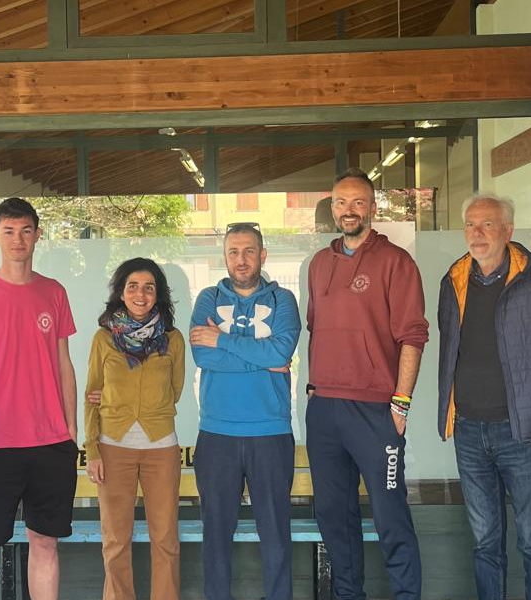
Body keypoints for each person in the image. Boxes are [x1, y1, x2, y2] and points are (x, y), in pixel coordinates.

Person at [305, 168, 429, 600]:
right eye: (341, 202)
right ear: (332, 208)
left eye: (358, 202)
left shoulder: (396, 262)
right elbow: (316, 329)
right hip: (325, 410)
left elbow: (413, 336)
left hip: (376, 410)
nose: (349, 210)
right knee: (334, 518)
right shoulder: (319, 264)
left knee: (390, 515)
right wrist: (314, 389)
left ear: (373, 208)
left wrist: (401, 403)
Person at [0, 198, 78, 600]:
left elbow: (64, 363)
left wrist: (71, 430)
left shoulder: (53, 292)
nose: (18, 239)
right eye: (8, 231)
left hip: (50, 442)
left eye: (26, 230)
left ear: (37, 235)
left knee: (45, 544)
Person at [437, 193, 531, 600]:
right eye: (471, 225)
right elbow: (450, 349)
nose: (477, 233)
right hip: (469, 430)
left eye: (487, 225)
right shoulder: (453, 280)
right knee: (485, 542)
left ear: (508, 230)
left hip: (521, 432)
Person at [190, 222, 301, 600]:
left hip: (270, 432)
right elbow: (203, 356)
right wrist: (264, 358)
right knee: (215, 535)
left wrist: (222, 339)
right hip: (217, 433)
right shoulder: (207, 298)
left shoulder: (282, 300)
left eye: (249, 251)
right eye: (234, 252)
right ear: (224, 257)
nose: (241, 259)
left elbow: (282, 351)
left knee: (276, 534)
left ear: (262, 255)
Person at [84, 258, 185, 600]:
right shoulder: (103, 338)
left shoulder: (172, 339)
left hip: (161, 446)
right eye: (133, 286)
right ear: (121, 292)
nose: (140, 294)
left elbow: (175, 390)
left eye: (148, 287)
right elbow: (91, 395)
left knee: (166, 539)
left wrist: (126, 398)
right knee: (115, 540)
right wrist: (92, 449)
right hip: (113, 446)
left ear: (158, 295)